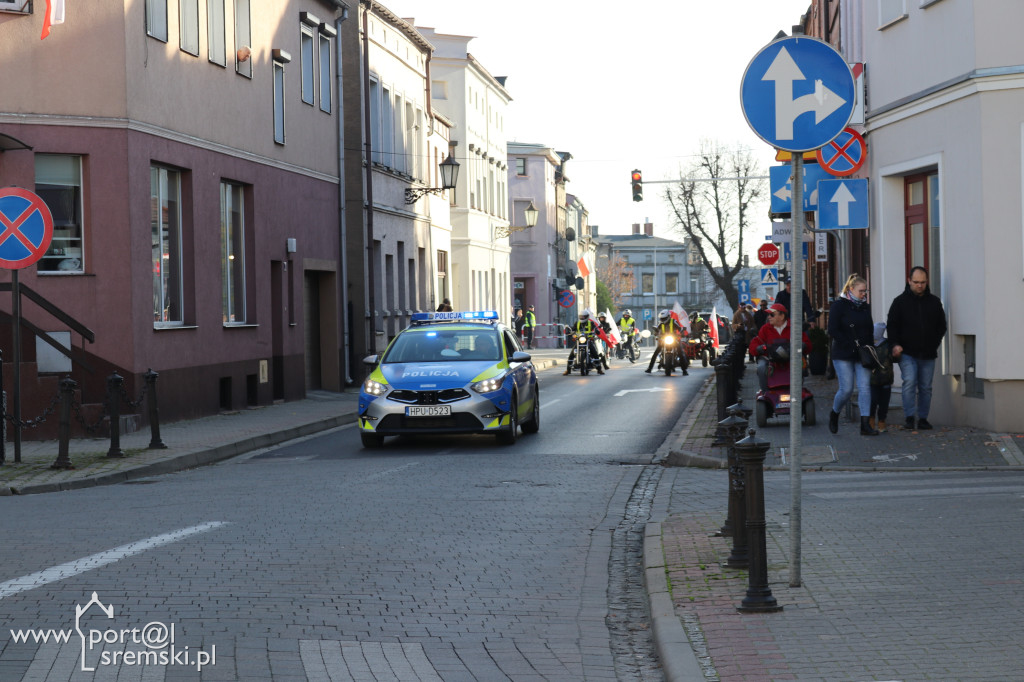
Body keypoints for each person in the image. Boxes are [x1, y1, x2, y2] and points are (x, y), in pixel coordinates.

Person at [886, 266, 947, 430]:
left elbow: (941, 326)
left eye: (923, 282)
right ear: (909, 281)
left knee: (926, 387)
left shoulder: (934, 302)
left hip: (928, 352)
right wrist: (895, 344)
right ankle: (909, 417)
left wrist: (934, 343)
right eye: (916, 282)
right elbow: (892, 326)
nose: (920, 285)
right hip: (907, 352)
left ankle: (923, 419)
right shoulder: (899, 302)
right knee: (910, 381)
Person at [827, 274, 878, 436]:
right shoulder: (838, 306)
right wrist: (848, 343)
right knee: (847, 389)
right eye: (861, 291)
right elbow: (832, 329)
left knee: (865, 387)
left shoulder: (865, 307)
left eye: (865, 291)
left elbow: (869, 329)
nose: (864, 294)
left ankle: (865, 425)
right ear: (851, 289)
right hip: (843, 353)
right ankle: (835, 413)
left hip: (862, 353)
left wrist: (870, 349)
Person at [748, 303, 811, 393]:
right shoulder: (765, 328)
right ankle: (765, 392)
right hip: (770, 360)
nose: (769, 317)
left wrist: (803, 345)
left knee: (801, 366)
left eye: (772, 315)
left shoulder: (794, 328)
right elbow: (755, 343)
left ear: (782, 316)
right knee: (761, 367)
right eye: (769, 315)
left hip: (790, 359)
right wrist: (758, 348)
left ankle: (797, 391)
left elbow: (808, 345)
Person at [868, 322, 894, 433]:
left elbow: (894, 359)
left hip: (885, 379)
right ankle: (871, 420)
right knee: (873, 401)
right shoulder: (869, 344)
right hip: (873, 379)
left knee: (884, 403)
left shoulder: (887, 344)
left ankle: (881, 421)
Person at [645, 309, 688, 375]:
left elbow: (680, 328)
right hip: (664, 340)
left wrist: (682, 332)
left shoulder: (673, 321)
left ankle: (684, 370)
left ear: (668, 316)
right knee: (655, 353)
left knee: (680, 353)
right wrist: (656, 333)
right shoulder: (660, 323)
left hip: (674, 339)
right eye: (661, 318)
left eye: (664, 318)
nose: (663, 319)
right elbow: (657, 329)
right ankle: (649, 368)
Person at [564, 310, 603, 375]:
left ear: (587, 317)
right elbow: (573, 329)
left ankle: (599, 369)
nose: (582, 318)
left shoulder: (591, 323)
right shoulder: (577, 323)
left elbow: (595, 328)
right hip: (579, 340)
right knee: (571, 354)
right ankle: (568, 370)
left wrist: (597, 330)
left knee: (595, 353)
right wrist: (570, 331)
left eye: (583, 317)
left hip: (588, 340)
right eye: (581, 316)